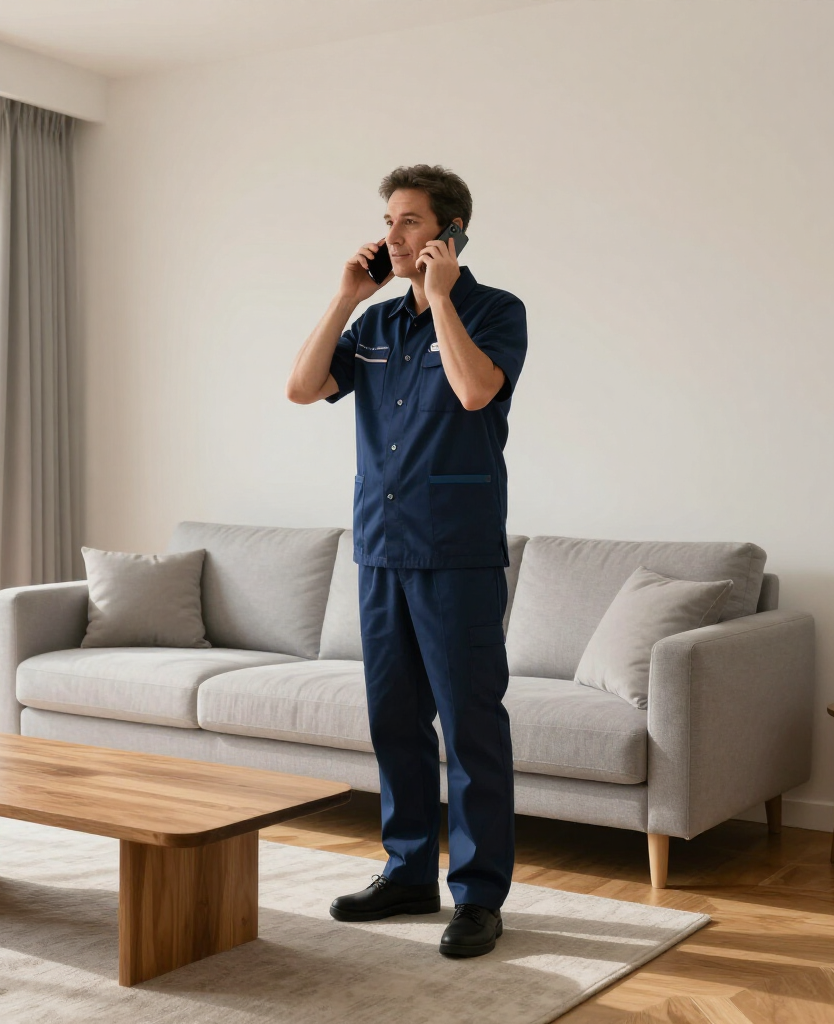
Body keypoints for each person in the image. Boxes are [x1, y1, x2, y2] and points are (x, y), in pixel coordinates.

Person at [285, 164, 528, 958]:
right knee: (395, 722)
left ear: (451, 235)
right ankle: (408, 871)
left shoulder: (496, 311)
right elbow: (301, 387)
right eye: (388, 220)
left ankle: (480, 896)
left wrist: (445, 297)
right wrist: (346, 297)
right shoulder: (376, 327)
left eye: (411, 222)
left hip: (455, 552)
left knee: (470, 728)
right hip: (380, 549)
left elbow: (472, 392)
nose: (392, 235)